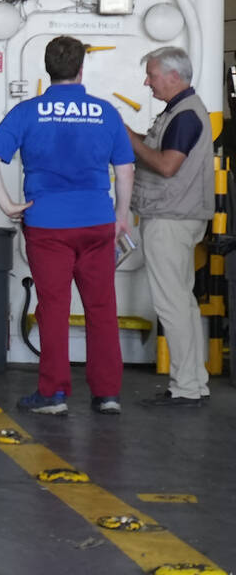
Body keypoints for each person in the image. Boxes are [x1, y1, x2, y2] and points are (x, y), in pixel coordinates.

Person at [0, 35, 135, 415]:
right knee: (102, 307)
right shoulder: (105, 112)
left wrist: (8, 205)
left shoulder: (27, 112)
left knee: (54, 308)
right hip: (98, 222)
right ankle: (107, 393)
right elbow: (125, 168)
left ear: (47, 70)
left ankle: (52, 394)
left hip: (48, 226)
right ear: (82, 68)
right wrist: (121, 216)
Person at [126, 46, 213, 408]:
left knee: (172, 304)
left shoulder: (186, 117)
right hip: (178, 217)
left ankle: (186, 388)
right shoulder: (181, 112)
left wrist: (125, 136)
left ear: (174, 76)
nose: (147, 82)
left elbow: (166, 166)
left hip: (170, 219)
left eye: (152, 75)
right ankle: (195, 381)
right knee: (184, 302)